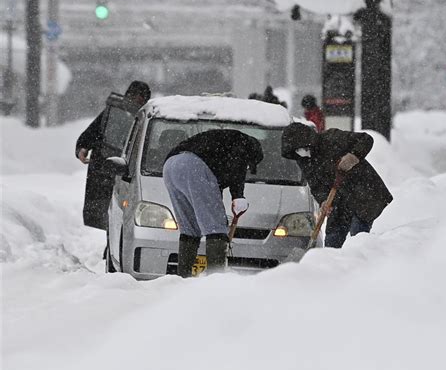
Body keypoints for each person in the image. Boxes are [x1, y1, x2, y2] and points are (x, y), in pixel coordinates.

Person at [163, 129, 263, 277]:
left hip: (171, 167)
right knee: (216, 229)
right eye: (249, 165)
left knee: (189, 228)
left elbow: (213, 191)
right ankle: (216, 278)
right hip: (194, 167)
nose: (247, 169)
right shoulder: (243, 143)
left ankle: (182, 276)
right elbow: (238, 164)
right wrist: (238, 195)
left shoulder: (220, 146)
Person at [281, 121, 392, 248]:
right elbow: (316, 185)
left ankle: (357, 264)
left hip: (363, 193)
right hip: (338, 202)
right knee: (332, 242)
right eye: (296, 150)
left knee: (357, 239)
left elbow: (365, 139)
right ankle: (330, 265)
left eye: (302, 148)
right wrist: (323, 201)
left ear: (308, 141)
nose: (301, 152)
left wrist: (353, 156)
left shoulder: (332, 138)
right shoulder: (303, 160)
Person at [76, 80, 151, 230]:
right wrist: (82, 149)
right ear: (129, 95)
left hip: (129, 175)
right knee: (108, 215)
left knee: (123, 217)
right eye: (136, 96)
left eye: (142, 97)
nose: (138, 100)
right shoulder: (113, 114)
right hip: (105, 170)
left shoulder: (144, 119)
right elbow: (91, 134)